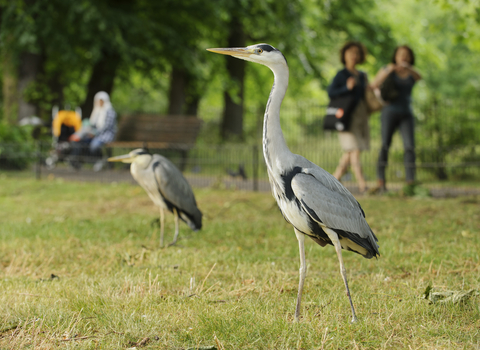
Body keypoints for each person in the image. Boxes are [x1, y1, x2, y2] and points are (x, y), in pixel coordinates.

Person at [371, 45, 422, 191]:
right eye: (401, 54)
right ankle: (381, 181)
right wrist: (391, 69)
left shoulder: (411, 73)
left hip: (407, 113)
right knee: (385, 145)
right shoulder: (389, 70)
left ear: (410, 57)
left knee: (409, 147)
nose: (403, 57)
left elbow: (420, 77)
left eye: (406, 55)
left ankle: (410, 182)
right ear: (395, 56)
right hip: (389, 112)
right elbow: (374, 84)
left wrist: (408, 68)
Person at [328, 41, 371, 194]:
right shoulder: (341, 75)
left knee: (349, 153)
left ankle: (333, 181)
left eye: (356, 53)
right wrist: (347, 87)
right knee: (355, 150)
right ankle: (362, 185)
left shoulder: (363, 76)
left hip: (360, 117)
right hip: (346, 118)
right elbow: (331, 92)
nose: (354, 55)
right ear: (344, 55)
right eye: (350, 52)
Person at [69, 91, 117, 171]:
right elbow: (92, 124)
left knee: (94, 145)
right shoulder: (97, 111)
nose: (100, 103)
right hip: (95, 134)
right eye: (99, 101)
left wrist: (94, 133)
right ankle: (77, 160)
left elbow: (106, 127)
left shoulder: (110, 112)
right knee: (82, 141)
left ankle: (101, 160)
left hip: (105, 135)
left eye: (102, 101)